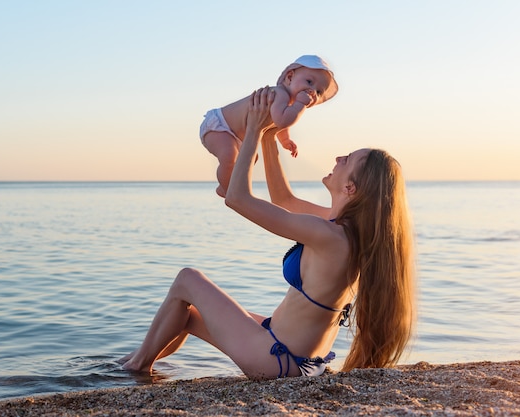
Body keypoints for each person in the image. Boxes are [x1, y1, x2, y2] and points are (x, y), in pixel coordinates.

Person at [119, 87, 415, 379]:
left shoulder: (329, 235)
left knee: (188, 279)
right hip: (295, 356)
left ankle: (135, 368)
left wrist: (252, 130)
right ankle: (134, 363)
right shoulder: (344, 231)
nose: (338, 158)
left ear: (350, 188)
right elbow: (283, 201)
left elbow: (237, 198)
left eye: (346, 160)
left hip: (279, 360)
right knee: (186, 313)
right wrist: (269, 134)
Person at [200, 55, 339, 197]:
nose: (312, 91)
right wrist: (300, 104)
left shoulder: (286, 104)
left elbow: (279, 125)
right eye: (309, 82)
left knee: (251, 159)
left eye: (319, 92)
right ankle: (225, 188)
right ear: (290, 77)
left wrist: (285, 140)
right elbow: (282, 120)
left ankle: (230, 185)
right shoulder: (279, 94)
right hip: (219, 125)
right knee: (229, 156)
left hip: (235, 135)